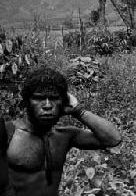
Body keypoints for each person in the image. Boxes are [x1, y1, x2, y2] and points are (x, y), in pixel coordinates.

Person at [1, 67, 121, 196]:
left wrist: (78, 111)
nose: (47, 105)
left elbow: (113, 139)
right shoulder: (8, 133)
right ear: (26, 102)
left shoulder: (64, 136)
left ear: (63, 102)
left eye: (54, 98)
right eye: (39, 98)